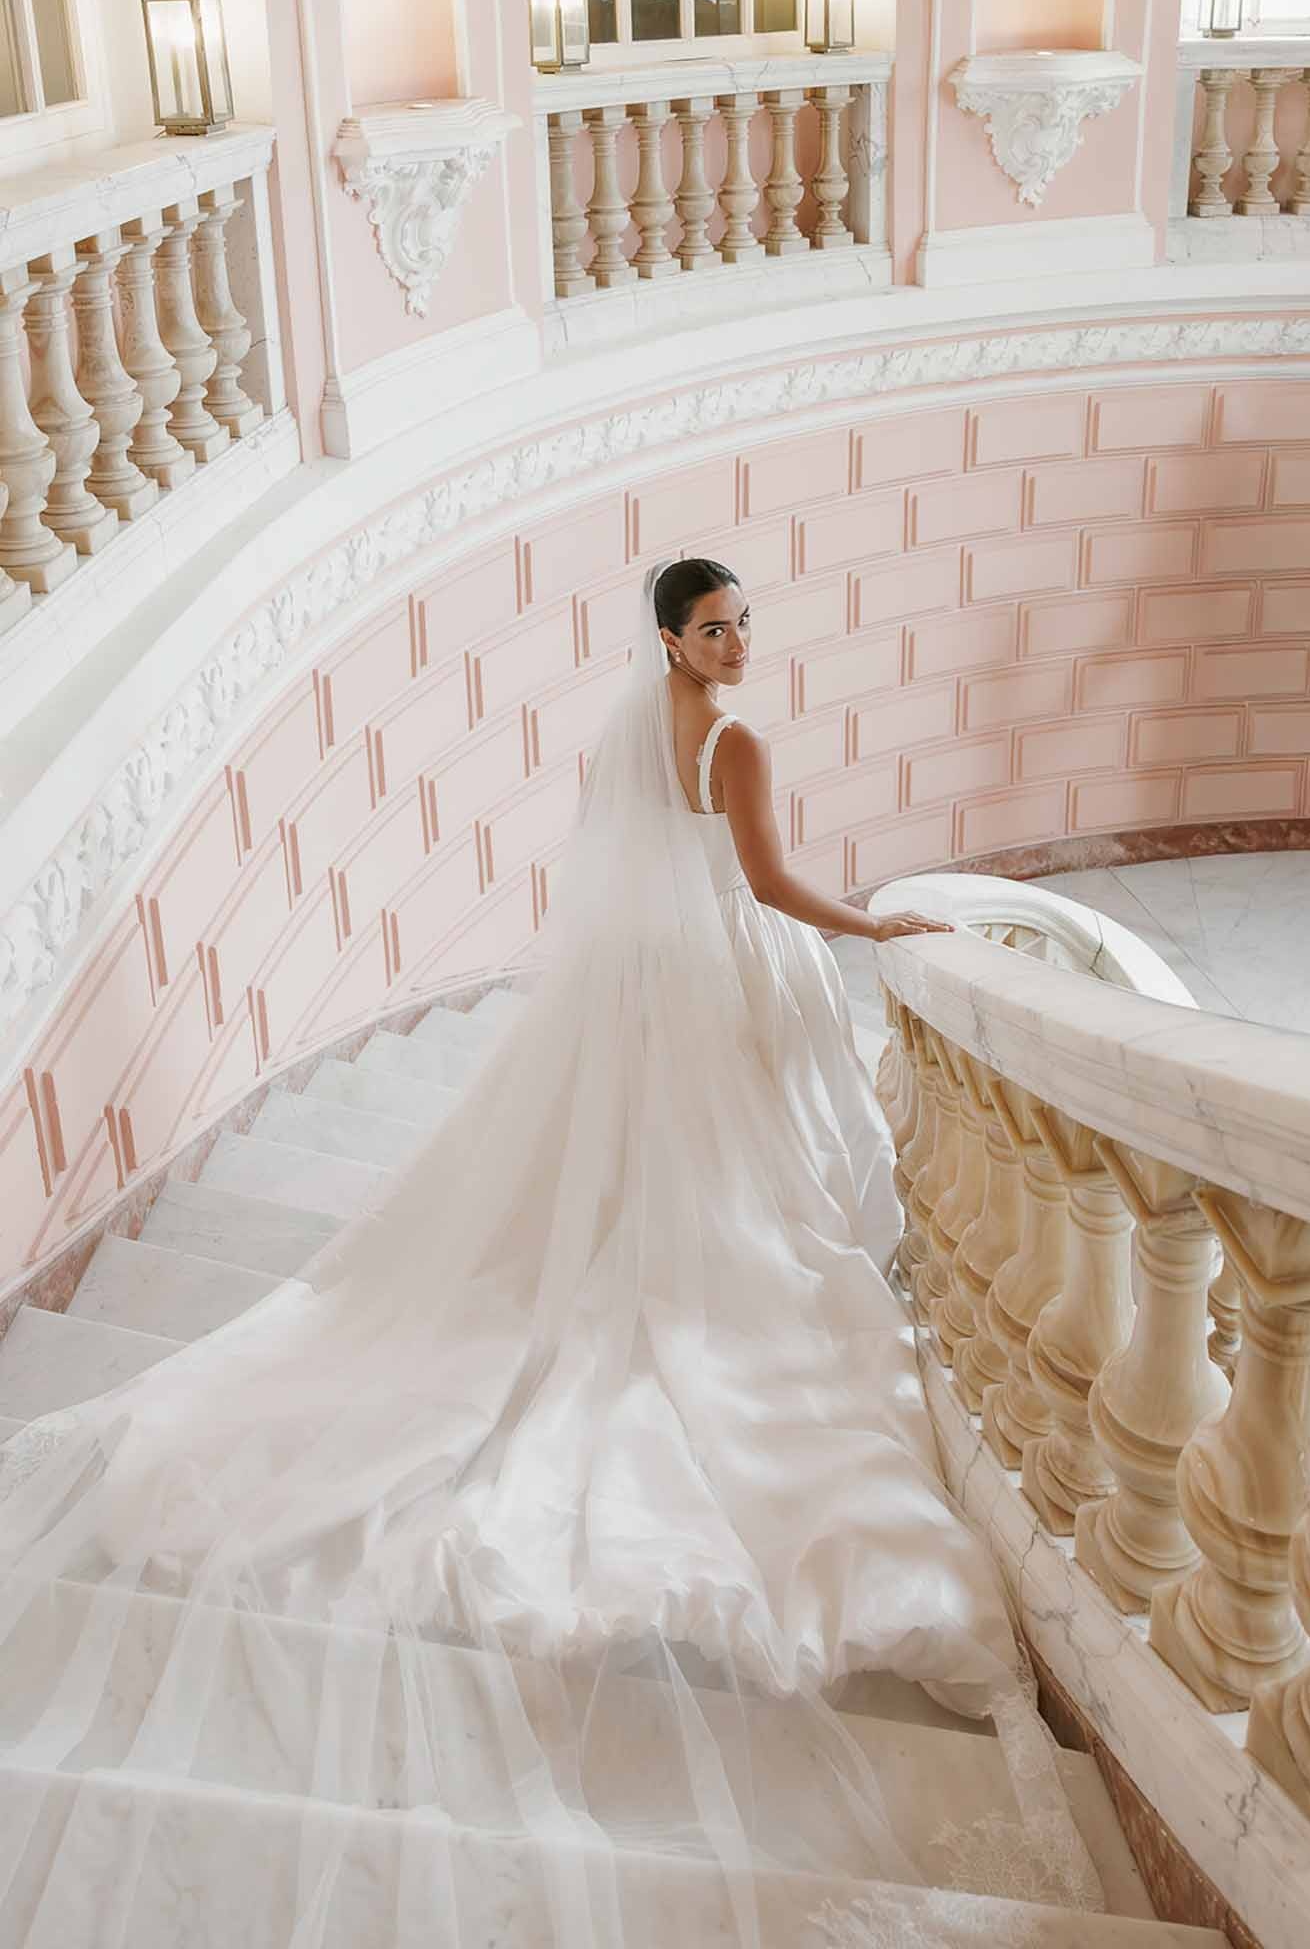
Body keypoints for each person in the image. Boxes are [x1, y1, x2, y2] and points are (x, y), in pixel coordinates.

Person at [0, 557, 1101, 1949]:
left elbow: (616, 871)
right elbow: (764, 881)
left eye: (745, 623)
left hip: (641, 983)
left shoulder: (627, 727)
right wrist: (873, 924)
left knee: (644, 1172)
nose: (740, 644)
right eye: (717, 628)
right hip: (721, 975)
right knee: (741, 1189)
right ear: (671, 635)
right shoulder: (737, 739)